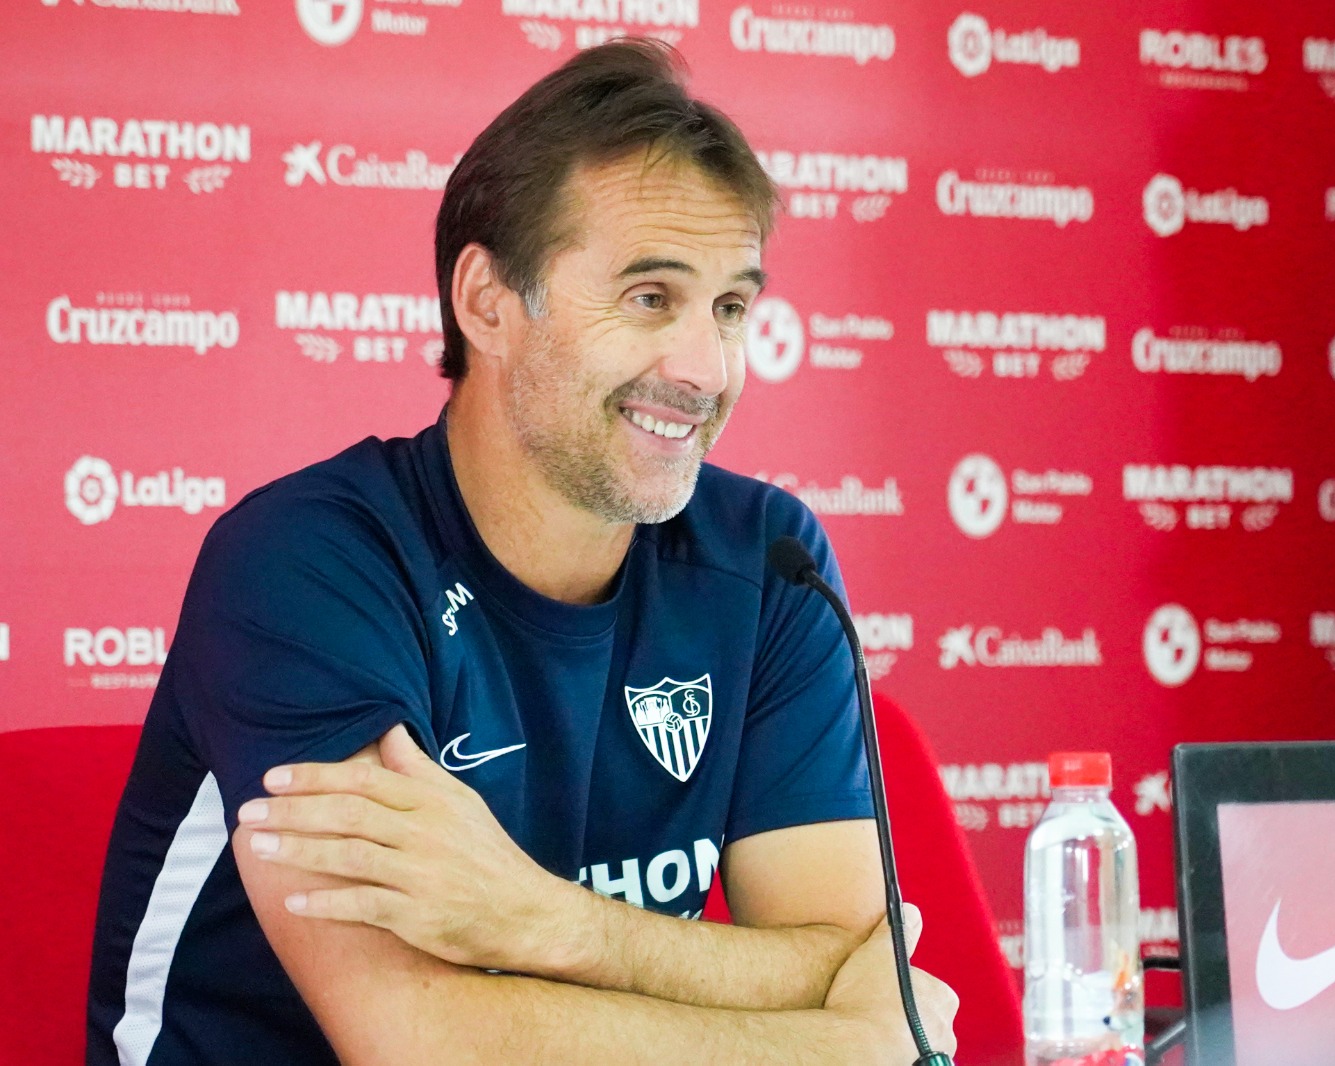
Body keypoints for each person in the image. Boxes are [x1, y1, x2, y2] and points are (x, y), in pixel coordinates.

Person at [87, 39, 958, 1065]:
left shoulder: (767, 558)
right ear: (487, 302)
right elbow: (418, 1035)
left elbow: (859, 959)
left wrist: (550, 921)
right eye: (649, 297)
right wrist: (831, 1047)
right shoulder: (304, 563)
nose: (705, 365)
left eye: (729, 307)